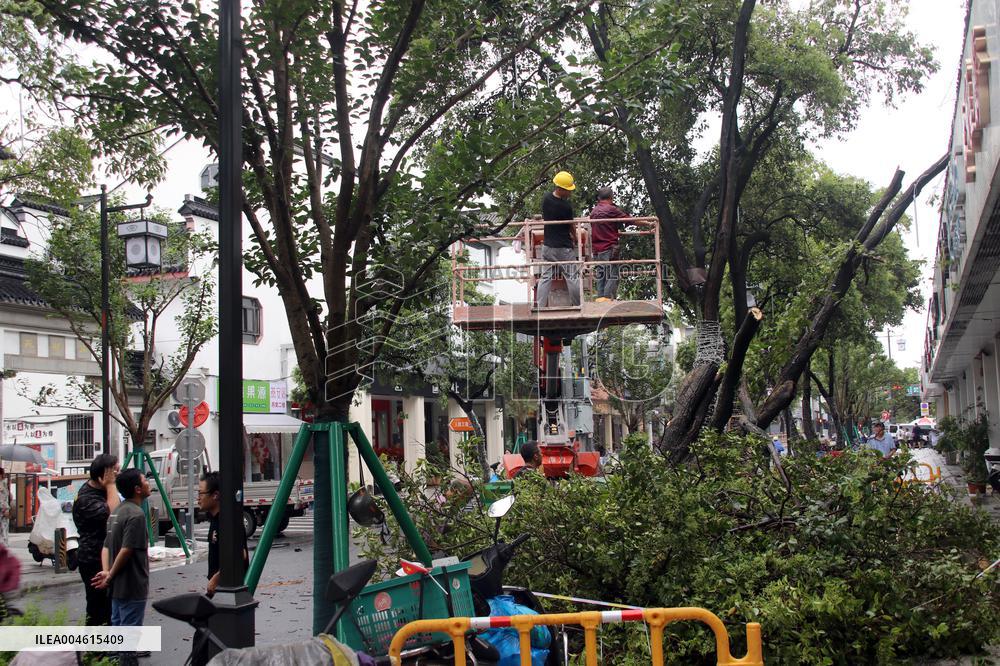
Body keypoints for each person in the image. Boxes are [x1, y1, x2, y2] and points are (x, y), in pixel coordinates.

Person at [93, 467, 151, 664]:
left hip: (116, 588)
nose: (148, 483)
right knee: (128, 640)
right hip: (132, 585)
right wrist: (109, 576)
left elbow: (106, 547)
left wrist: (107, 573)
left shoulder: (116, 512)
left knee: (118, 635)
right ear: (137, 488)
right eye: (145, 480)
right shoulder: (137, 515)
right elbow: (127, 550)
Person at [72, 453, 119, 626]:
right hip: (93, 559)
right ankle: (96, 651)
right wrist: (111, 485)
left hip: (104, 555)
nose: (117, 476)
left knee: (110, 605)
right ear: (102, 478)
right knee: (98, 607)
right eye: (114, 473)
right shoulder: (87, 499)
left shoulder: (99, 491)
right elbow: (115, 516)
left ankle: (114, 646)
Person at [198, 471, 248, 597]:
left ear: (215, 495)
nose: (198, 498)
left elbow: (240, 555)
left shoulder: (227, 522)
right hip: (219, 589)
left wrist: (216, 579)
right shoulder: (214, 518)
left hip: (229, 589)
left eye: (201, 493)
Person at [535, 171, 581, 308]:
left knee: (545, 278)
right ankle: (578, 305)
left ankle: (540, 306)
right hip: (564, 248)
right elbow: (571, 226)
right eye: (568, 190)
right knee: (572, 276)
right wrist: (576, 237)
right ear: (561, 189)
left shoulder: (546, 199)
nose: (570, 193)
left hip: (548, 247)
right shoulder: (565, 207)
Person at [589, 187, 630, 302]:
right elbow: (629, 220)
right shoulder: (612, 210)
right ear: (611, 197)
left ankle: (600, 298)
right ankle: (607, 297)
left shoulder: (594, 212)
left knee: (601, 274)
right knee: (613, 274)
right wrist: (648, 222)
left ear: (599, 198)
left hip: (597, 250)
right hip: (609, 248)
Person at [0, 468, 8, 547]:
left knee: (4, 528)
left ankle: (4, 546)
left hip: (3, 509)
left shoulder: (4, 483)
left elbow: (6, 497)